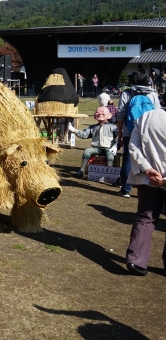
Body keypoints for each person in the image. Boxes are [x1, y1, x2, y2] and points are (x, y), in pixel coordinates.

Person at [124, 107, 166, 276]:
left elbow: (133, 145)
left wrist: (147, 169)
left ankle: (136, 260)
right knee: (145, 216)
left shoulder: (147, 117)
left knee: (145, 217)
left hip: (147, 178)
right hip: (152, 176)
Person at [116, 69, 160, 197]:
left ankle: (125, 189)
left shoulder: (126, 93)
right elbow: (157, 113)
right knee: (149, 158)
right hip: (148, 131)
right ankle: (147, 185)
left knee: (129, 159)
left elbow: (121, 114)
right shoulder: (153, 94)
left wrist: (120, 131)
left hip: (130, 130)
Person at [69, 107, 118, 178]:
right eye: (97, 112)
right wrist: (74, 130)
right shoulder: (93, 127)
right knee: (87, 151)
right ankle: (82, 170)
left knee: (110, 155)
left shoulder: (113, 127)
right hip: (96, 148)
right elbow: (84, 134)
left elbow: (119, 137)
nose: (100, 114)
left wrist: (115, 145)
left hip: (109, 148)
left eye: (103, 112)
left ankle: (108, 173)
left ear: (109, 115)